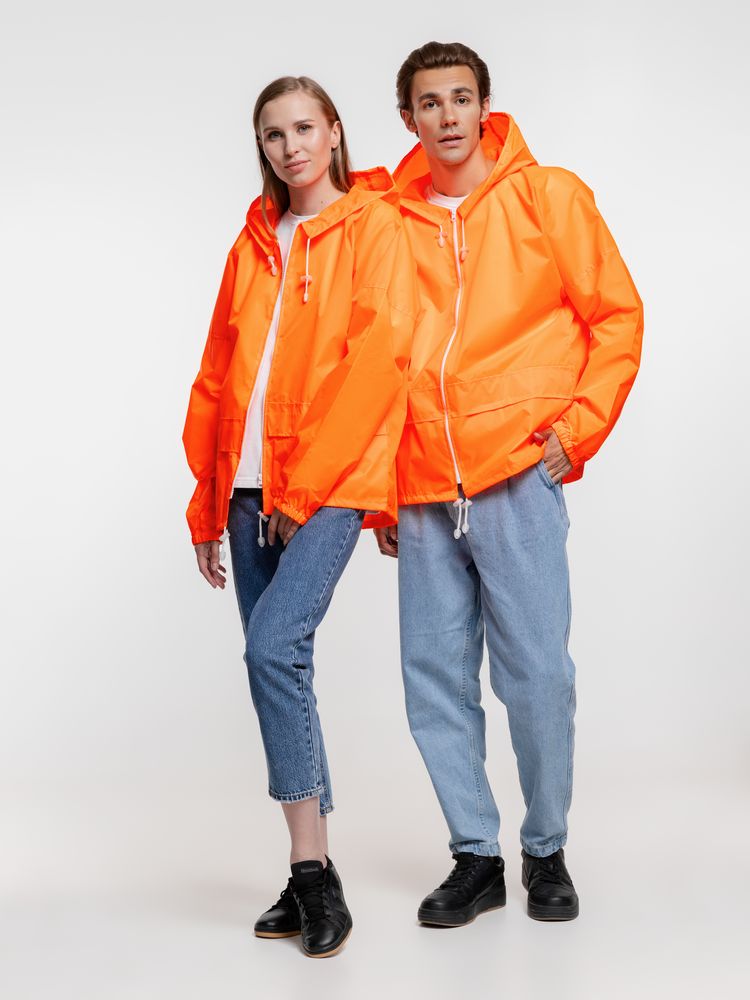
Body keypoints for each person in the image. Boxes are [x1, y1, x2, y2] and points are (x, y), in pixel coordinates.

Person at [376, 42, 643, 925]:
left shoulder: (548, 196)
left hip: (518, 473)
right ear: (408, 118)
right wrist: (380, 486)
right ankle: (475, 856)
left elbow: (616, 317)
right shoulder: (392, 223)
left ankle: (546, 848)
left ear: (484, 106)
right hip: (421, 485)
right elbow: (372, 359)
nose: (447, 116)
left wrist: (578, 429)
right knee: (433, 681)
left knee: (537, 677)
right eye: (429, 102)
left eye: (461, 98)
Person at [183, 75, 415, 958]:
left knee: (270, 648)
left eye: (305, 128)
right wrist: (207, 501)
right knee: (282, 667)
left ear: (336, 132)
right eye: (274, 134)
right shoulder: (252, 243)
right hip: (248, 490)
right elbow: (216, 378)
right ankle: (308, 867)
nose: (291, 147)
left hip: (331, 482)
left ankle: (313, 879)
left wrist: (306, 487)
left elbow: (377, 362)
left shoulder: (373, 226)